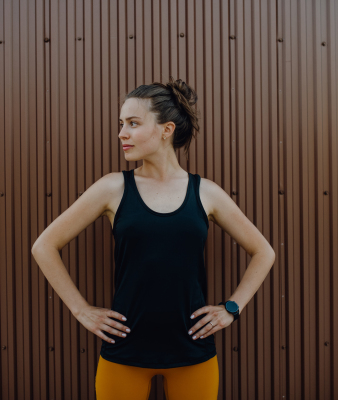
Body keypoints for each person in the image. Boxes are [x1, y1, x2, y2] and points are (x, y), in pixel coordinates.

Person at [31, 76, 276, 400]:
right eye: (121, 123)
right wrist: (81, 310)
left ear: (166, 129)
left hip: (192, 352)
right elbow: (44, 246)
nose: (122, 133)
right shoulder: (113, 188)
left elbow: (263, 252)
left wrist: (231, 308)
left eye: (133, 123)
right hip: (125, 351)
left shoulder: (205, 192)